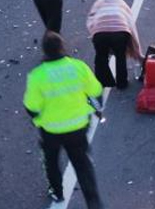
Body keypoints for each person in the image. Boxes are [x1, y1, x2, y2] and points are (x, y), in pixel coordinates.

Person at [24, 31, 104, 208]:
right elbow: (96, 92)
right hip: (78, 127)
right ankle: (94, 203)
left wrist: (36, 118)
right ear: (62, 47)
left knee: (51, 162)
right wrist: (97, 110)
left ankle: (57, 193)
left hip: (51, 130)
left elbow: (32, 107)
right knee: (83, 165)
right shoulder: (78, 67)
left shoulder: (37, 76)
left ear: (44, 51)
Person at [86, 0, 144, 88]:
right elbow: (130, 23)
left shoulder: (98, 3)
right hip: (120, 32)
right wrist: (136, 48)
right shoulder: (121, 4)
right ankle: (122, 83)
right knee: (120, 56)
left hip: (100, 33)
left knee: (101, 56)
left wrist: (94, 33)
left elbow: (90, 20)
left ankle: (105, 81)